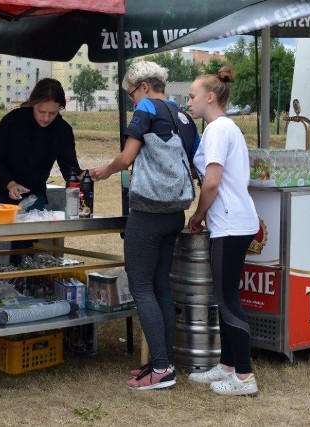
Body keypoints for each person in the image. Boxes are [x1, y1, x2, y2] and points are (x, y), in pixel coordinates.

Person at [89, 60, 199, 390]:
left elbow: (126, 157)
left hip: (148, 211)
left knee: (140, 286)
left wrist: (103, 172)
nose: (132, 101)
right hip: (174, 212)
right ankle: (162, 361)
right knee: (160, 286)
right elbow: (195, 165)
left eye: (131, 94)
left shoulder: (147, 107)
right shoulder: (184, 116)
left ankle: (162, 368)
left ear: (144, 87)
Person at [0, 78, 83, 276]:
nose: (46, 118)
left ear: (60, 108)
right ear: (33, 104)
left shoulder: (63, 130)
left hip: (32, 194)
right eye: (41, 111)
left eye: (53, 113)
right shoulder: (13, 120)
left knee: (24, 255)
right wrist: (10, 183)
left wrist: (83, 178)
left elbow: (70, 168)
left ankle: (20, 298)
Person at [185, 67, 259, 396]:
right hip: (235, 221)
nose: (188, 102)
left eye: (191, 96)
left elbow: (212, 181)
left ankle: (244, 375)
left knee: (227, 298)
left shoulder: (217, 129)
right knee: (224, 294)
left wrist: (198, 214)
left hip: (228, 224)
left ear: (210, 97)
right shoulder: (226, 127)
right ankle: (227, 365)